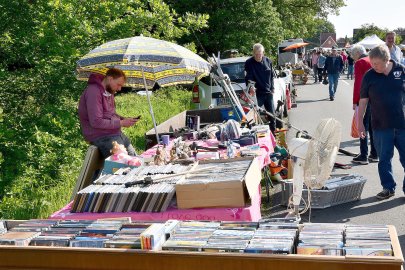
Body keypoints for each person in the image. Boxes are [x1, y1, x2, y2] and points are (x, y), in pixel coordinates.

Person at [358, 44, 405, 200]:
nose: (374, 66)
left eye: (377, 64)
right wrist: (360, 123)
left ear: (387, 59)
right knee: (384, 159)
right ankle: (388, 188)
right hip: (380, 125)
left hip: (402, 124)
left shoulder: (401, 71)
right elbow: (363, 101)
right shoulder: (369, 76)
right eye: (372, 63)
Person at [78, 68, 139, 158]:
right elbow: (96, 121)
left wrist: (124, 119)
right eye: (118, 85)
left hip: (115, 134)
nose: (119, 89)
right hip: (101, 136)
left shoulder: (109, 91)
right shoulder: (94, 92)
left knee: (135, 159)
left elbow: (111, 114)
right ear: (110, 79)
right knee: (125, 164)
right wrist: (121, 123)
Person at [350, 44, 378, 165]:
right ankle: (374, 154)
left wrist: (355, 101)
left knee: (363, 126)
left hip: (365, 98)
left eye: (352, 56)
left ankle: (363, 155)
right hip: (377, 98)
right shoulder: (372, 59)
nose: (353, 58)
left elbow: (359, 84)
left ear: (356, 54)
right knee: (372, 127)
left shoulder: (360, 63)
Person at [245, 43, 276, 134]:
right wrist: (251, 87)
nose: (259, 56)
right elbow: (248, 77)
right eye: (256, 54)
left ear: (263, 53)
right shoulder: (249, 62)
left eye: (260, 53)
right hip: (257, 93)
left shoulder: (268, 61)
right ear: (253, 53)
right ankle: (254, 134)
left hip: (268, 92)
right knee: (254, 115)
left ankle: (273, 134)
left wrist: (272, 88)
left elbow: (271, 76)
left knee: (272, 115)